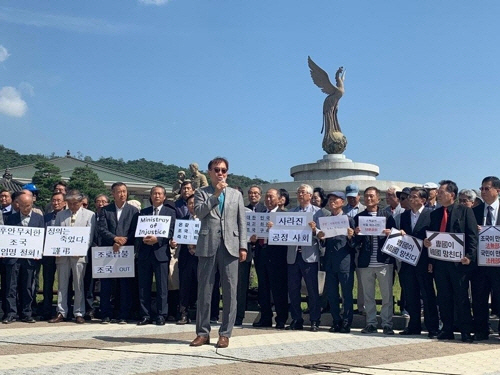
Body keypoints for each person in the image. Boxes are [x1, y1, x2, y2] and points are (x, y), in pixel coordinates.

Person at [190, 157, 247, 349]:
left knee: (231, 290)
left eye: (223, 170)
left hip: (230, 244)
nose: (220, 173)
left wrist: (243, 246)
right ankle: (202, 333)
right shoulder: (201, 192)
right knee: (204, 290)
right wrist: (215, 194)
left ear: (227, 172)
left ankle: (225, 333)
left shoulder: (236, 195)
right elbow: (199, 212)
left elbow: (241, 222)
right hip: (208, 244)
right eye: (216, 170)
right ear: (209, 172)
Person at [424, 180, 478, 343]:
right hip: (440, 263)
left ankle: (465, 330)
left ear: (451, 195)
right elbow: (432, 237)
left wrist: (469, 256)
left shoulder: (464, 211)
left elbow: (472, 236)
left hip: (459, 264)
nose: (438, 195)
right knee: (444, 297)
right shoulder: (435, 214)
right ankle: (447, 329)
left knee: (461, 297)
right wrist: (428, 245)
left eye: (441, 192)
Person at [49, 190, 95, 324]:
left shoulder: (89, 215)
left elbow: (89, 237)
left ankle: (79, 312)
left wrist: (81, 249)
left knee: (79, 284)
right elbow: (56, 234)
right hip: (62, 255)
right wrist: (55, 248)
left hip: (78, 256)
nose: (72, 206)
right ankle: (61, 311)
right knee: (62, 284)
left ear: (81, 202)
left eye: (75, 203)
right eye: (69, 203)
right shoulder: (61, 215)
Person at [397, 187, 439, 337]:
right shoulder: (404, 215)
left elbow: (435, 238)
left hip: (424, 261)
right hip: (408, 262)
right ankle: (413, 326)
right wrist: (400, 234)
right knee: (411, 295)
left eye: (414, 197)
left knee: (427, 295)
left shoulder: (431, 215)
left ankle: (432, 327)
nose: (411, 199)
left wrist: (431, 261)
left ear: (423, 200)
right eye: (410, 197)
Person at [354, 186, 395, 335]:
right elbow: (354, 243)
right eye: (366, 196)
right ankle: (371, 323)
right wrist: (356, 234)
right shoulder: (358, 217)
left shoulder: (387, 216)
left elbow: (396, 238)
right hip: (366, 262)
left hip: (384, 261)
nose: (369, 199)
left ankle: (387, 323)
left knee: (387, 295)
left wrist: (390, 233)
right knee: (368, 296)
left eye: (372, 196)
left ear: (378, 198)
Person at [97, 182, 139, 324]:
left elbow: (135, 231)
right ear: (113, 194)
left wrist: (123, 240)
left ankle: (123, 314)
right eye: (119, 192)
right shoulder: (105, 210)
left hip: (125, 251)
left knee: (125, 285)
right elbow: (101, 229)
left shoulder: (133, 211)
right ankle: (106, 314)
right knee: (106, 284)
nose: (122, 194)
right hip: (109, 250)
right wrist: (115, 239)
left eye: (124, 191)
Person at [135, 185, 176, 326]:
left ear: (164, 197)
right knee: (143, 286)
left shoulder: (170, 212)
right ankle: (145, 315)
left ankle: (161, 315)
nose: (157, 196)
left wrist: (157, 239)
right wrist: (144, 239)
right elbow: (138, 232)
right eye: (154, 194)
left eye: (159, 194)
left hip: (161, 253)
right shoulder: (143, 212)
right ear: (151, 196)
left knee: (162, 286)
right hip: (145, 253)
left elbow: (171, 231)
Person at [284, 184, 322, 332]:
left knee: (312, 290)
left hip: (309, 255)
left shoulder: (318, 213)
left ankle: (314, 320)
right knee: (293, 290)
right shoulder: (291, 212)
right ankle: (296, 319)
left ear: (310, 196)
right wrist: (272, 227)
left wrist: (315, 230)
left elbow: (322, 234)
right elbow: (283, 231)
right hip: (293, 255)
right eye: (299, 192)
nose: (300, 195)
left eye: (303, 192)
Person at [249, 188, 289, 329]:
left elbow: (288, 235)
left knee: (278, 289)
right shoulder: (259, 214)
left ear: (279, 199)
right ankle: (265, 317)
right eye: (266, 197)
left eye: (271, 197)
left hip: (277, 256)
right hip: (261, 254)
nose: (268, 199)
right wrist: (252, 238)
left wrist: (276, 227)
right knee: (263, 288)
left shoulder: (284, 214)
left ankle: (281, 318)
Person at [3, 192, 45, 323]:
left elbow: (42, 237)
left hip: (30, 259)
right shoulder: (10, 218)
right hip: (13, 258)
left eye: (28, 206)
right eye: (22, 206)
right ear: (17, 205)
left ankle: (27, 313)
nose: (26, 209)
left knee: (27, 287)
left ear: (32, 204)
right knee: (11, 286)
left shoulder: (38, 218)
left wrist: (38, 252)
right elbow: (6, 237)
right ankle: (11, 313)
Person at [317, 191, 355, 333]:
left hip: (345, 261)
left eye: (335, 200)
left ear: (343, 202)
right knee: (332, 294)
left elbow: (355, 244)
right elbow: (325, 243)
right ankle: (336, 321)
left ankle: (346, 322)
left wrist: (352, 237)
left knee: (347, 294)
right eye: (330, 200)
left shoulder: (349, 220)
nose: (332, 202)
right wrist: (321, 238)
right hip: (330, 262)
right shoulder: (325, 220)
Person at [471, 176, 500, 341]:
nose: (483, 192)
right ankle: (481, 330)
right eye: (481, 188)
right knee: (479, 298)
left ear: (498, 190)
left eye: (486, 188)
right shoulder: (474, 211)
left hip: (498, 264)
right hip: (480, 265)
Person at [235, 185, 265, 326]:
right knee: (241, 283)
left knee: (264, 283)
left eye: (256, 193)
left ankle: (265, 314)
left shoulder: (265, 210)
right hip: (244, 249)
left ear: (260, 195)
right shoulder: (243, 210)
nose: (253, 195)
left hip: (261, 250)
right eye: (251, 193)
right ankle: (239, 315)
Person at [40, 191, 67, 320]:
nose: (56, 203)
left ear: (64, 202)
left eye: (59, 200)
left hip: (64, 255)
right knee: (47, 282)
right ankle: (46, 309)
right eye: (54, 200)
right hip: (48, 254)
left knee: (64, 283)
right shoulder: (46, 217)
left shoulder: (68, 216)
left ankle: (62, 310)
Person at [177, 194, 199, 324]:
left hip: (201, 258)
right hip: (185, 257)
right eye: (190, 203)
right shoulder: (182, 220)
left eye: (195, 203)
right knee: (184, 286)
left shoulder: (206, 220)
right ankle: (183, 314)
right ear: (187, 205)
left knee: (200, 286)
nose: (193, 205)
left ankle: (201, 314)